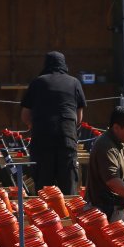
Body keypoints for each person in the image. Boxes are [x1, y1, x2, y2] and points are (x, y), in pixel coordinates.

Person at [20, 51, 86, 195]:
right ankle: (69, 215)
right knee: (68, 184)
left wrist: (35, 126)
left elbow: (25, 115)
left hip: (42, 140)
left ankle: (44, 216)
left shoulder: (37, 82)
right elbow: (79, 117)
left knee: (44, 186)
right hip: (67, 138)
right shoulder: (74, 82)